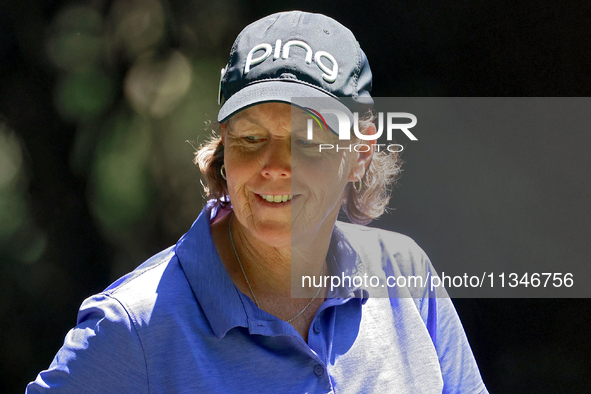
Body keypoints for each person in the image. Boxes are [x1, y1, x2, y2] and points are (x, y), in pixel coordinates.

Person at [27, 11, 488, 393]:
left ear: (359, 153)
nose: (274, 166)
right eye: (251, 138)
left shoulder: (404, 273)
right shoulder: (134, 328)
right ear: (224, 147)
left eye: (307, 141)